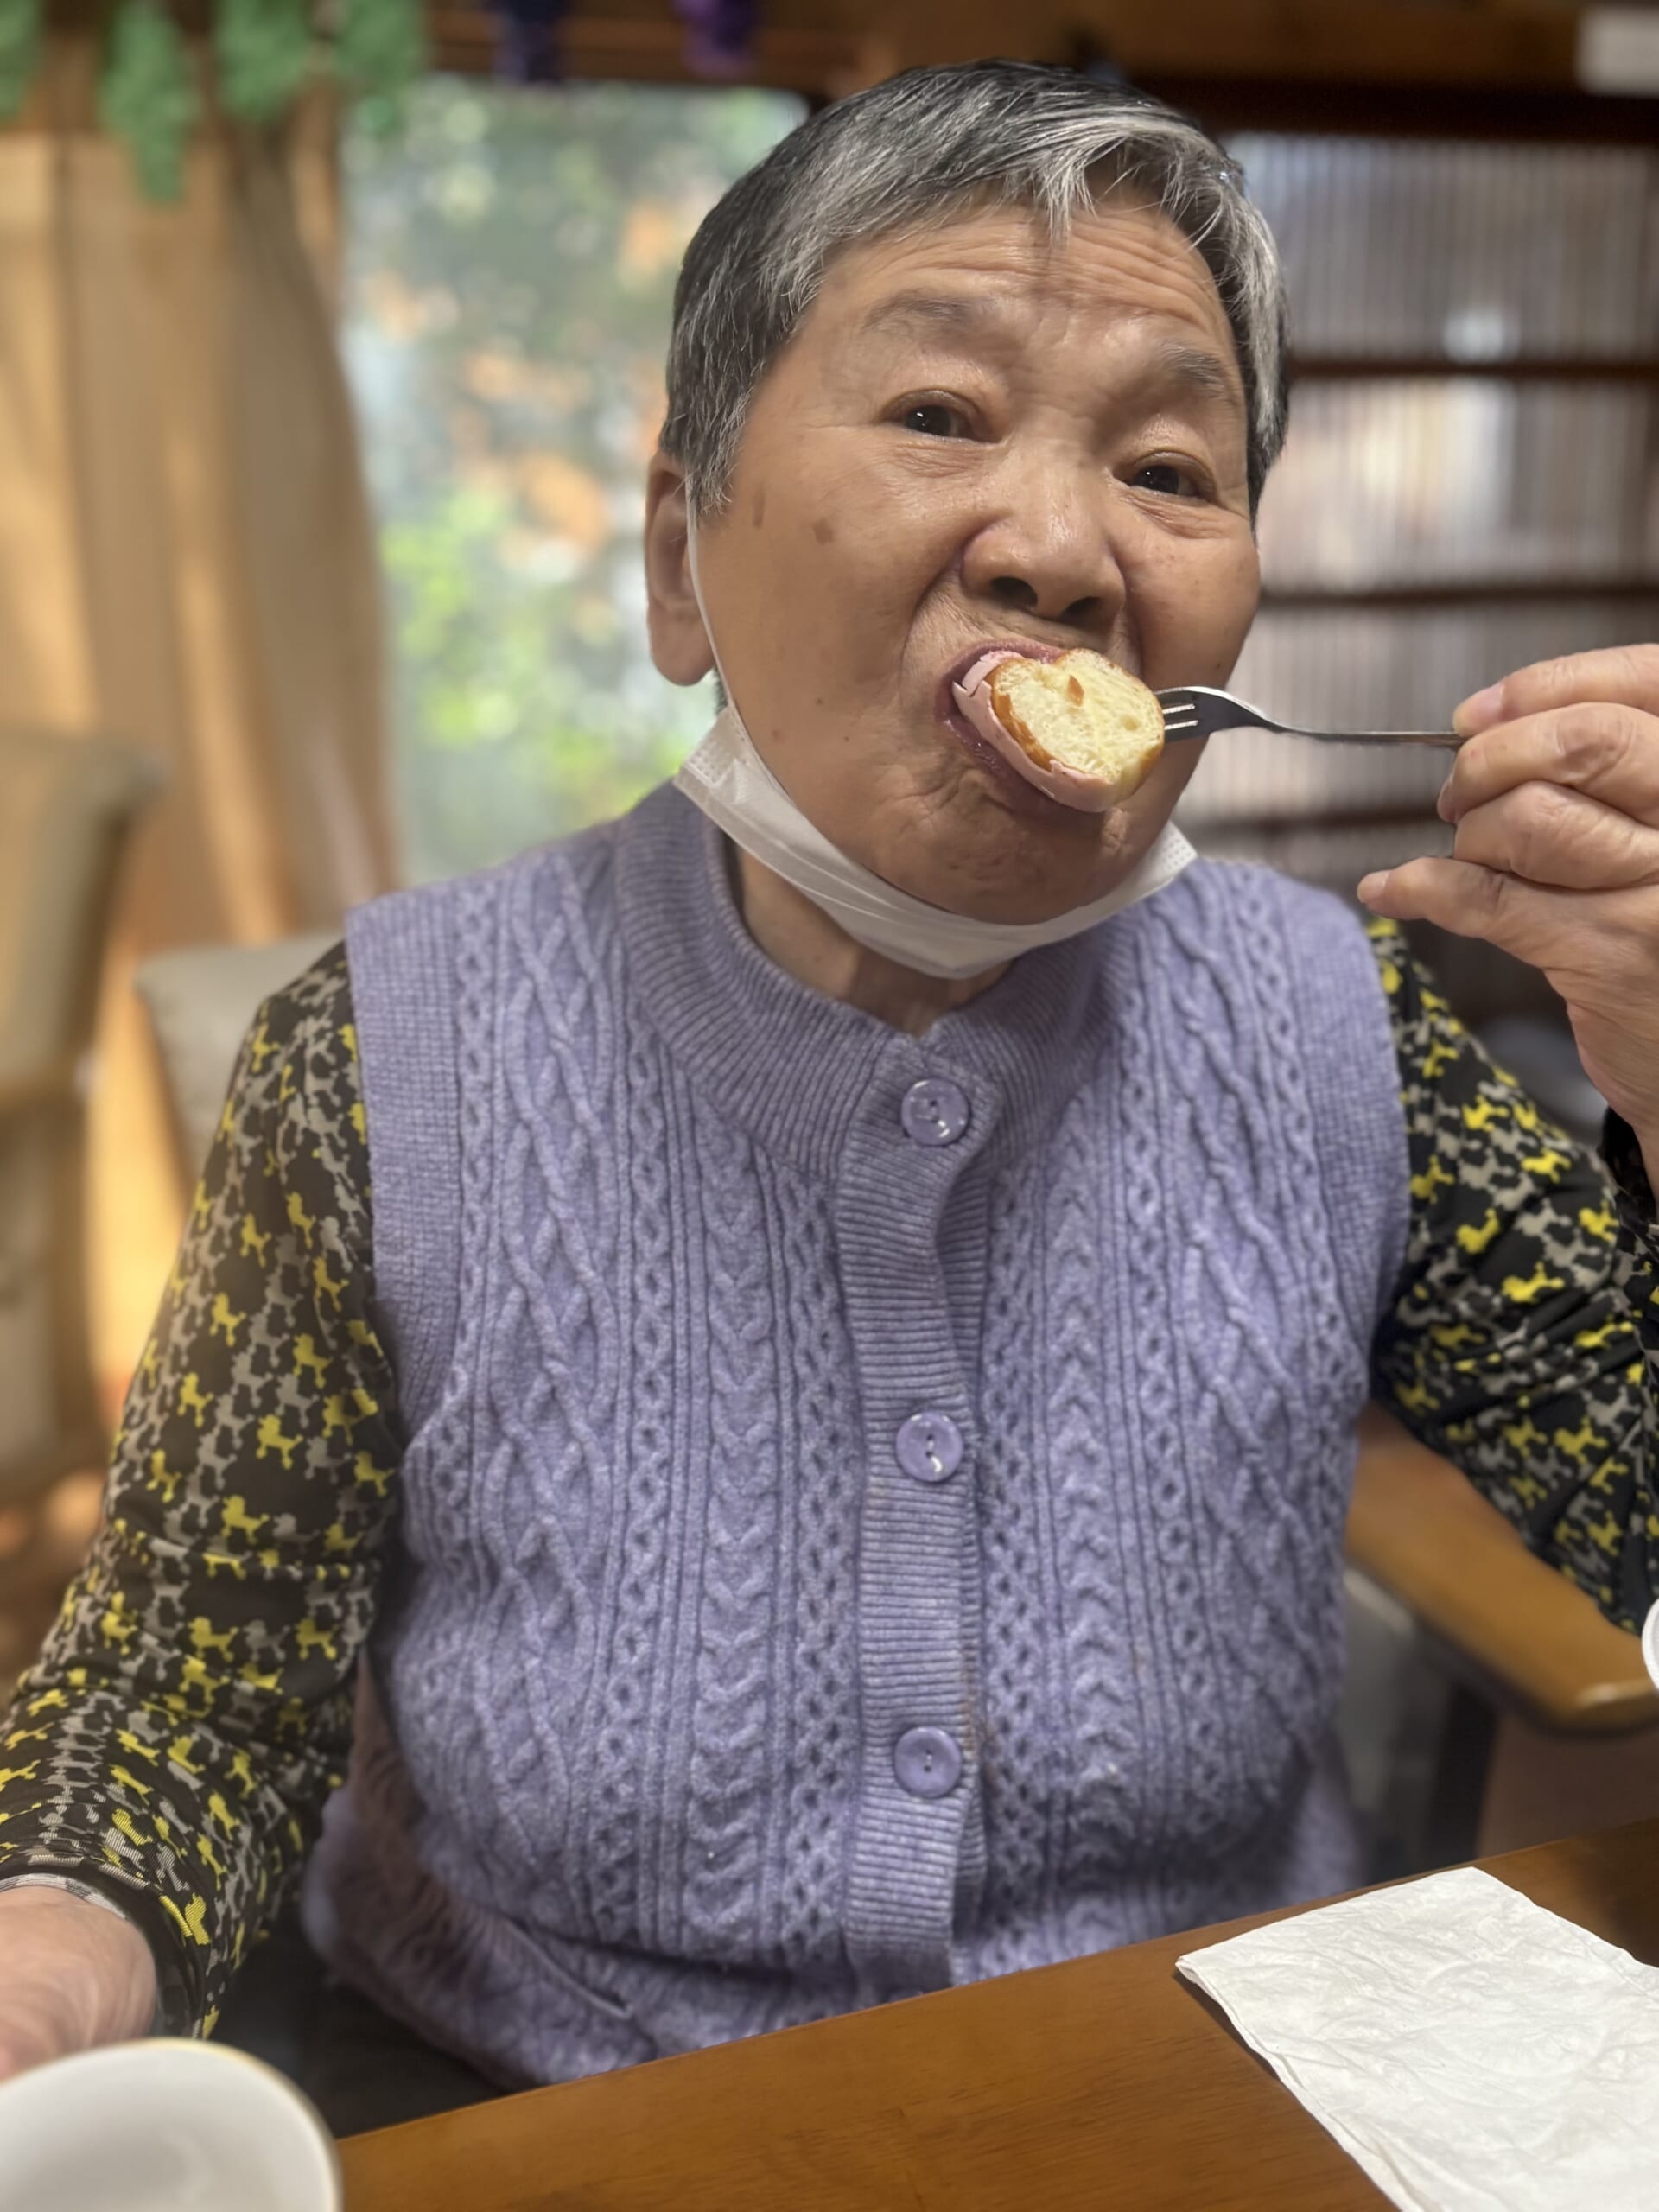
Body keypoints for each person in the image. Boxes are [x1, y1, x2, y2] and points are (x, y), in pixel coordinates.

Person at [3, 60, 1656, 2126]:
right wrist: (55, 1939)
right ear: (681, 554)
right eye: (942, 413)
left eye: (1169, 464)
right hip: (542, 2114)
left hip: (1200, 2097)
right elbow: (183, 1686)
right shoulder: (381, 1059)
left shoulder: (1352, 1028)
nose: (1061, 546)